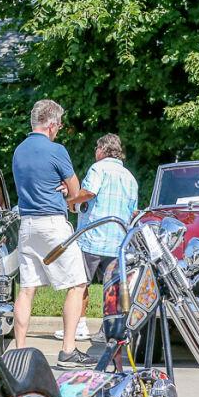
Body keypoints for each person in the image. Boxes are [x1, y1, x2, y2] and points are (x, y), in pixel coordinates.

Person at [11, 99, 91, 369]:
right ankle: (68, 350)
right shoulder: (56, 150)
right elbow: (76, 192)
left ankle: (19, 349)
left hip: (27, 225)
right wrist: (66, 189)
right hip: (52, 223)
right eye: (59, 125)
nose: (59, 130)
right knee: (77, 283)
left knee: (27, 289)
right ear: (52, 124)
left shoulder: (19, 151)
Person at [63, 133, 138, 342]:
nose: (96, 152)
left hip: (92, 238)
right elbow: (132, 213)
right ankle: (109, 331)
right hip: (117, 243)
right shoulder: (130, 177)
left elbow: (89, 192)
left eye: (97, 148)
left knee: (79, 285)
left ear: (103, 150)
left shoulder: (99, 168)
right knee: (112, 289)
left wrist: (71, 199)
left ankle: (79, 326)